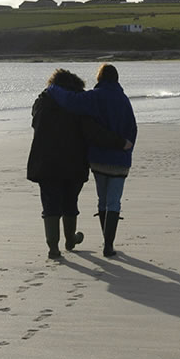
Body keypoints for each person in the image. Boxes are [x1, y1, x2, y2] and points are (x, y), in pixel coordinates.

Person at [27, 69, 130, 260]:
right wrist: (119, 142)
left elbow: (35, 121)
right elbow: (93, 132)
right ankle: (70, 240)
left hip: (45, 163)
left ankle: (53, 248)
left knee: (50, 204)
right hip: (72, 164)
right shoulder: (79, 105)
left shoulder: (41, 102)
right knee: (69, 202)